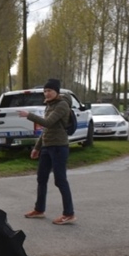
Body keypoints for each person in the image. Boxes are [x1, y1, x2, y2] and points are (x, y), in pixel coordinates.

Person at [18, 78, 76, 225]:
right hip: (47, 147)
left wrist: (28, 115)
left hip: (59, 147)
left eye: (50, 90)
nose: (47, 93)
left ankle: (69, 213)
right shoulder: (49, 105)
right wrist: (37, 148)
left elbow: (48, 123)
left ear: (56, 91)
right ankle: (39, 209)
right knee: (41, 178)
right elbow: (46, 129)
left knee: (60, 180)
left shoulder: (62, 105)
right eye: (45, 91)